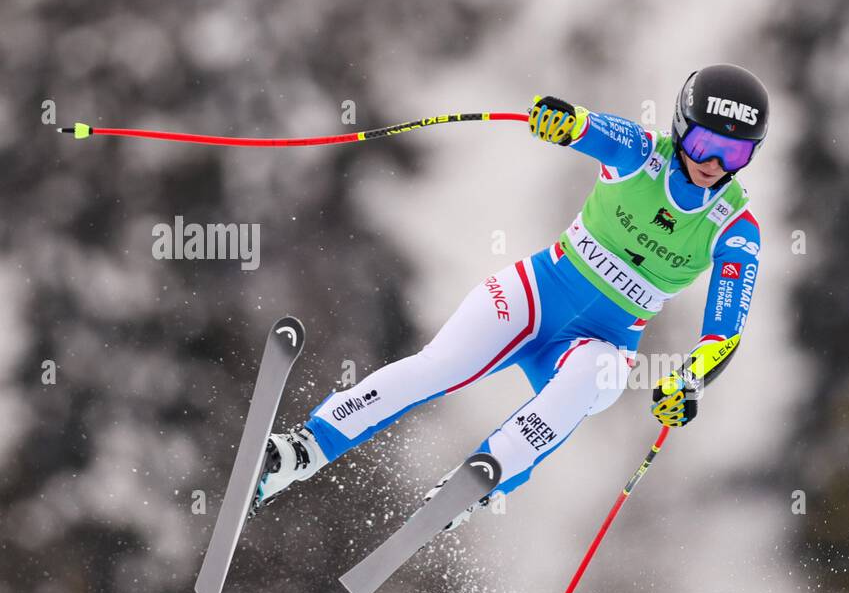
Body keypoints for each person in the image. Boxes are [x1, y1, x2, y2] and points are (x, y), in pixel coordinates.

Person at [253, 63, 768, 529]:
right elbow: (588, 126)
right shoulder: (640, 154)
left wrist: (690, 380)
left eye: (735, 153)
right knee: (440, 367)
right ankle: (302, 450)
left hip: (606, 343)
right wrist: (561, 121)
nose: (715, 163)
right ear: (681, 128)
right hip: (538, 293)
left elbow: (723, 333)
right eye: (705, 144)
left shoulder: (735, 227)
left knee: (591, 377)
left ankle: (478, 480)